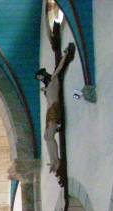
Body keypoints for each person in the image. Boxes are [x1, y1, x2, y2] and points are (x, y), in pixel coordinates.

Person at [35, 42, 75, 177]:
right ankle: (53, 159)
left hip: (54, 108)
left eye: (41, 77)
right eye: (39, 79)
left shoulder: (53, 79)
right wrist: (45, 90)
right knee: (46, 137)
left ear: (44, 74)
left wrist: (65, 55)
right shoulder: (48, 87)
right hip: (49, 111)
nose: (41, 80)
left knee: (50, 136)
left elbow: (60, 67)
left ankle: (56, 160)